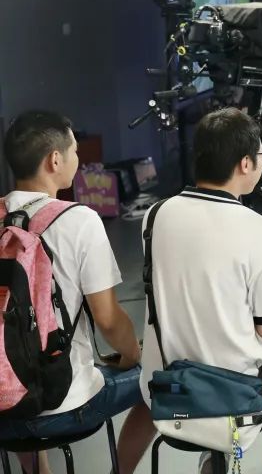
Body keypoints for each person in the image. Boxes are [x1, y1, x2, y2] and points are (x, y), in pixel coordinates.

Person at [139, 108, 262, 474]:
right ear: (245, 163)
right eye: (261, 155)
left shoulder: (154, 216)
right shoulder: (261, 231)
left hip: (165, 389)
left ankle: (215, 457)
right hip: (234, 394)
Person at [0, 111, 154, 474]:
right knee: (158, 382)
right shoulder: (78, 220)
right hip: (64, 404)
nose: (78, 159)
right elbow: (108, 320)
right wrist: (133, 355)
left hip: (5, 403)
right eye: (74, 151)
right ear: (55, 160)